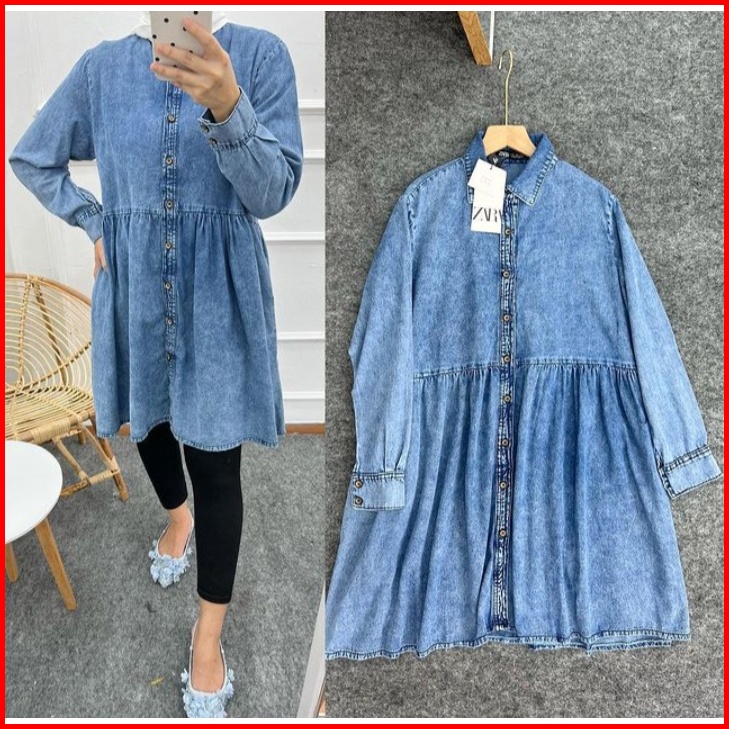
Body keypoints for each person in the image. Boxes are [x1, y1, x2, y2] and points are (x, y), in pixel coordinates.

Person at [8, 10, 303, 718]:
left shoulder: (261, 57)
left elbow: (272, 193)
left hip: (218, 297)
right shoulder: (102, 69)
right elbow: (32, 156)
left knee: (217, 465)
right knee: (148, 425)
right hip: (135, 289)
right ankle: (178, 518)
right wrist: (95, 221)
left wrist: (228, 105)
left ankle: (208, 638)